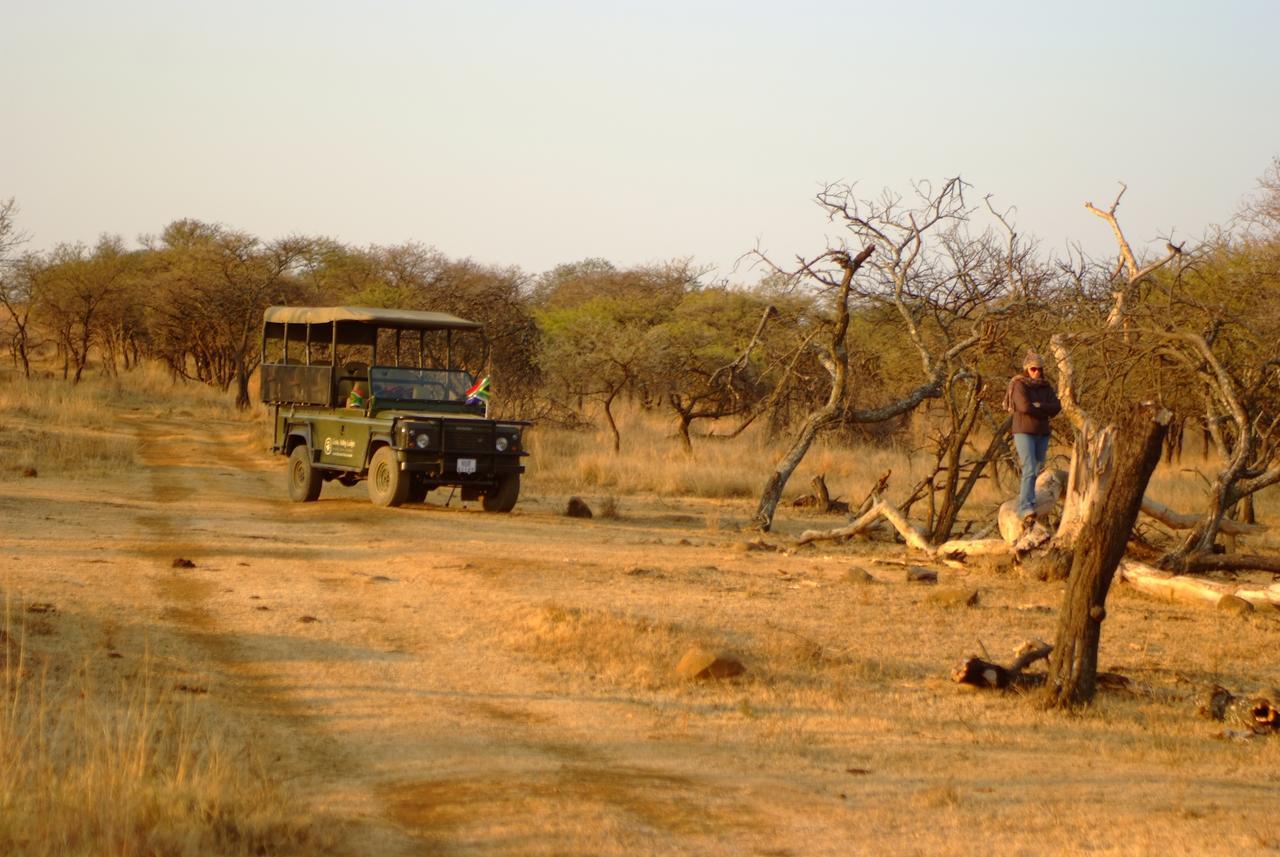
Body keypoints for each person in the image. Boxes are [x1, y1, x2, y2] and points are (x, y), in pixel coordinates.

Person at [1010, 350, 1061, 531]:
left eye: (1039, 369)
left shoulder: (1046, 387)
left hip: (1042, 432)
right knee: (1029, 467)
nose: (1037, 372)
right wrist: (1042, 409)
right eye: (1033, 369)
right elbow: (1023, 407)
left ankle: (1030, 502)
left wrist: (1038, 407)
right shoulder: (1018, 384)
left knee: (1038, 467)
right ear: (1026, 369)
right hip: (1024, 431)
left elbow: (1056, 407)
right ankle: (1024, 507)